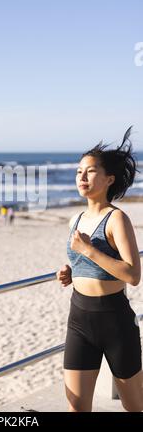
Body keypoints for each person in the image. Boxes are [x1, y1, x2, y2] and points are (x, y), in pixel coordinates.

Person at [56, 126, 143, 412]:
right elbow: (83, 261)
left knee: (134, 406)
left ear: (109, 179)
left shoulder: (117, 219)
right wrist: (71, 271)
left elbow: (133, 274)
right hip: (79, 319)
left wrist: (89, 251)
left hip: (115, 322)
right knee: (76, 407)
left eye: (90, 171)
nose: (82, 176)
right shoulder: (75, 219)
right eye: (79, 171)